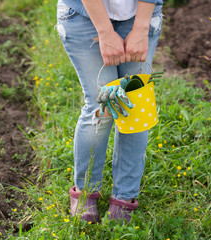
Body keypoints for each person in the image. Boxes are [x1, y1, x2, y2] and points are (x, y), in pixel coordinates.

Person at [56, 0, 163, 223]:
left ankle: (125, 196)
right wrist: (105, 32)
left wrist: (141, 28)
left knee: (133, 107)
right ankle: (86, 192)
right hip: (84, 15)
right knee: (101, 107)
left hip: (140, 14)